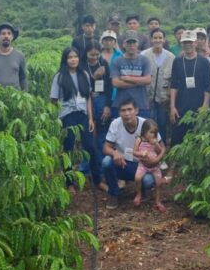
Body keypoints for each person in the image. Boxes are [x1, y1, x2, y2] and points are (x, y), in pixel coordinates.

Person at [50, 47, 101, 191]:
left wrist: (91, 118)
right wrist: (56, 120)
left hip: (83, 114)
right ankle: (69, 182)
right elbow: (53, 100)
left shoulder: (83, 74)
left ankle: (97, 179)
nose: (73, 60)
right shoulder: (59, 76)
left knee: (90, 146)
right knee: (68, 148)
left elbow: (88, 98)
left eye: (75, 57)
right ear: (65, 60)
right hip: (67, 115)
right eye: (70, 57)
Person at [102, 99, 165, 210]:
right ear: (119, 113)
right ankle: (114, 194)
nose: (126, 113)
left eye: (129, 109)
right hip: (123, 163)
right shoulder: (115, 124)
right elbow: (105, 147)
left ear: (136, 110)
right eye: (123, 110)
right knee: (106, 161)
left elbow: (163, 147)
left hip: (143, 165)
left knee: (148, 181)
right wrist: (114, 152)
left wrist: (156, 160)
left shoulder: (146, 124)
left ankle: (142, 191)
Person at [169, 30, 210, 146]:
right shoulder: (177, 61)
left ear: (195, 43)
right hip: (180, 106)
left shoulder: (204, 62)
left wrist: (205, 106)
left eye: (190, 42)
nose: (188, 45)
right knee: (178, 139)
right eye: (185, 42)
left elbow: (208, 86)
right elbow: (173, 85)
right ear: (181, 44)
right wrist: (172, 107)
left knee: (197, 139)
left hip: (198, 106)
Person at [141, 28, 175, 146]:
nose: (158, 40)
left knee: (162, 125)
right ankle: (146, 151)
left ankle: (162, 152)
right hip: (147, 98)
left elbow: (173, 80)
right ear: (151, 39)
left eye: (160, 37)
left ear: (164, 40)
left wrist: (170, 99)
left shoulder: (171, 57)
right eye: (155, 37)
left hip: (163, 100)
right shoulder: (144, 55)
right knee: (147, 125)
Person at [81, 41, 114, 160]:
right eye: (91, 55)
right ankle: (86, 165)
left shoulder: (104, 63)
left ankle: (100, 163)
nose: (94, 57)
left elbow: (110, 86)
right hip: (86, 100)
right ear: (86, 53)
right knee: (87, 133)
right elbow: (81, 86)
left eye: (97, 54)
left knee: (102, 132)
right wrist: (94, 77)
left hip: (101, 99)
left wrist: (108, 105)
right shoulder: (81, 65)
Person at [111, 31, 152, 118]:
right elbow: (115, 83)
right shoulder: (117, 61)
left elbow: (148, 80)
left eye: (134, 42)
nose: (131, 45)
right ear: (124, 45)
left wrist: (127, 78)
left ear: (137, 44)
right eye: (129, 43)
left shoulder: (145, 60)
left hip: (141, 105)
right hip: (120, 104)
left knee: (142, 130)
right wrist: (140, 81)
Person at [133, 119, 167, 211]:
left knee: (159, 183)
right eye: (151, 132)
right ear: (144, 131)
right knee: (137, 178)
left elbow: (160, 151)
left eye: (154, 132)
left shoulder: (155, 141)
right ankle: (139, 194)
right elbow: (134, 152)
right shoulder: (139, 139)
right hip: (143, 165)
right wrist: (141, 154)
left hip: (155, 166)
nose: (153, 134)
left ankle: (158, 201)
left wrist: (156, 144)